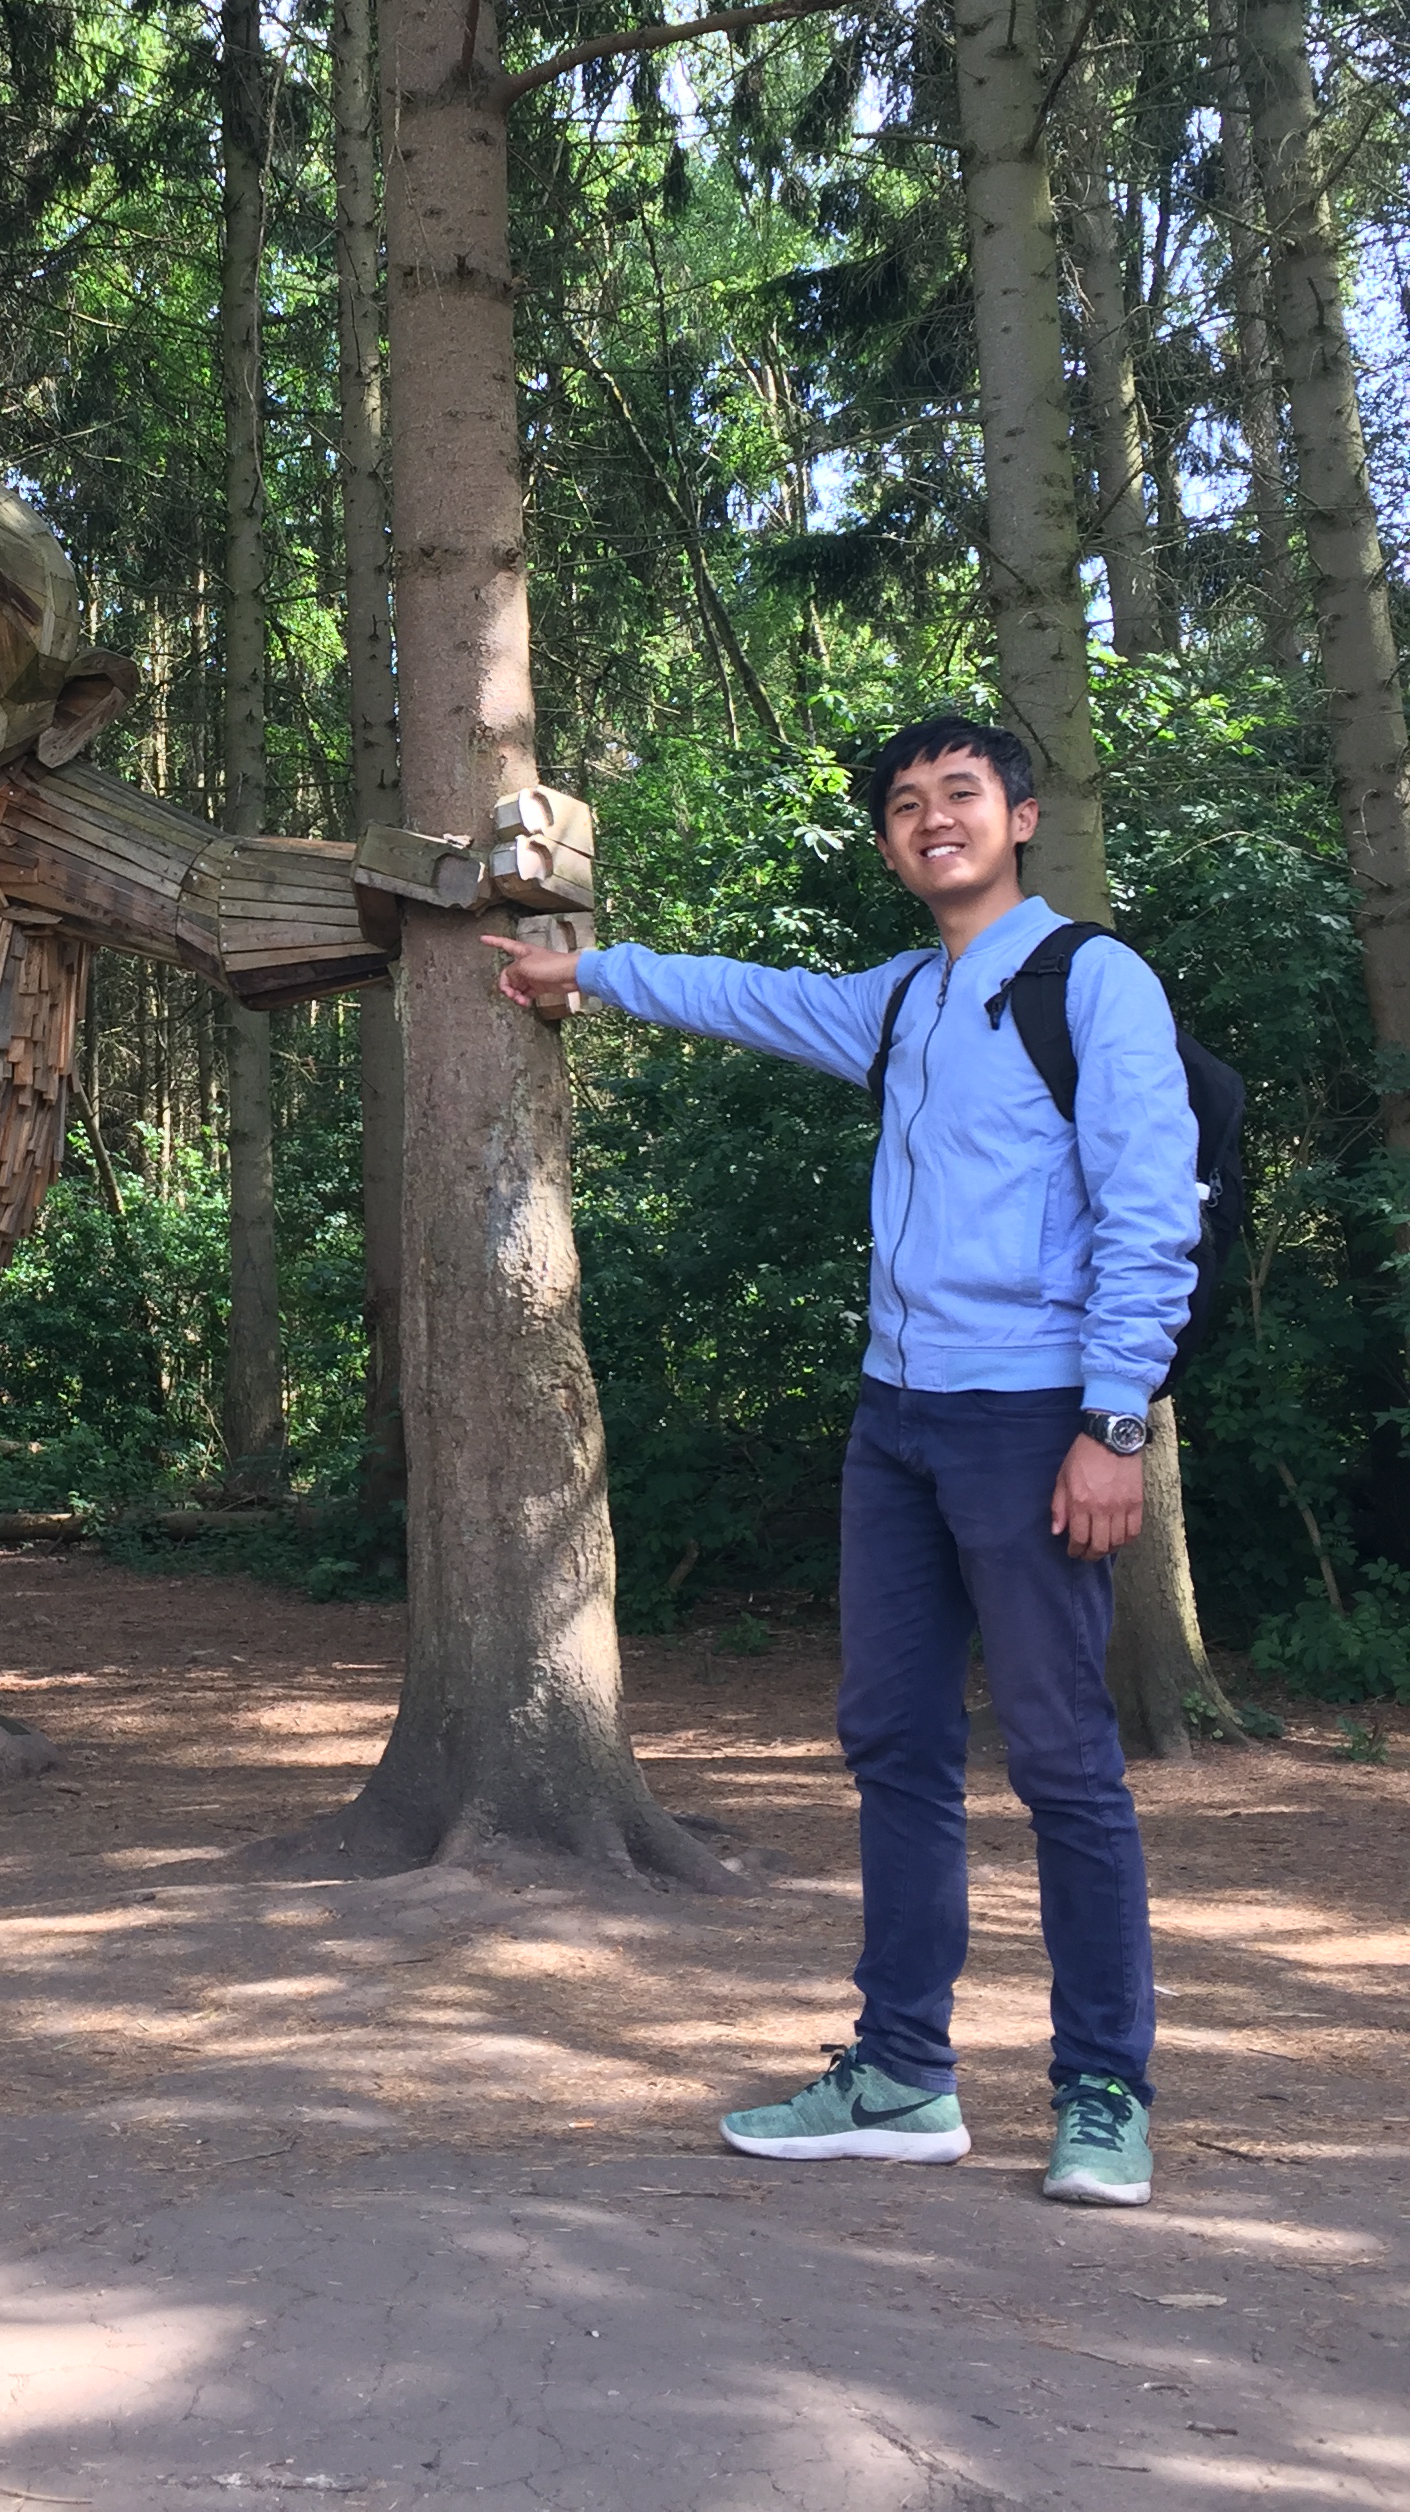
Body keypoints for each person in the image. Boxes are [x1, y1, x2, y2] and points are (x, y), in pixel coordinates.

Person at [487, 714, 1197, 2208]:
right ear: (888, 845)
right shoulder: (901, 999)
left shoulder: (1093, 982)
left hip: (1035, 1419)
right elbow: (752, 996)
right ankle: (901, 2075)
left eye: (961, 793)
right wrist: (585, 974)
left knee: (1064, 1761)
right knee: (895, 1745)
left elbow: (1150, 1209)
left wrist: (1114, 1422)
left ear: (1020, 817)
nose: (934, 818)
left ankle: (1104, 2093)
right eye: (906, 804)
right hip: (897, 1423)